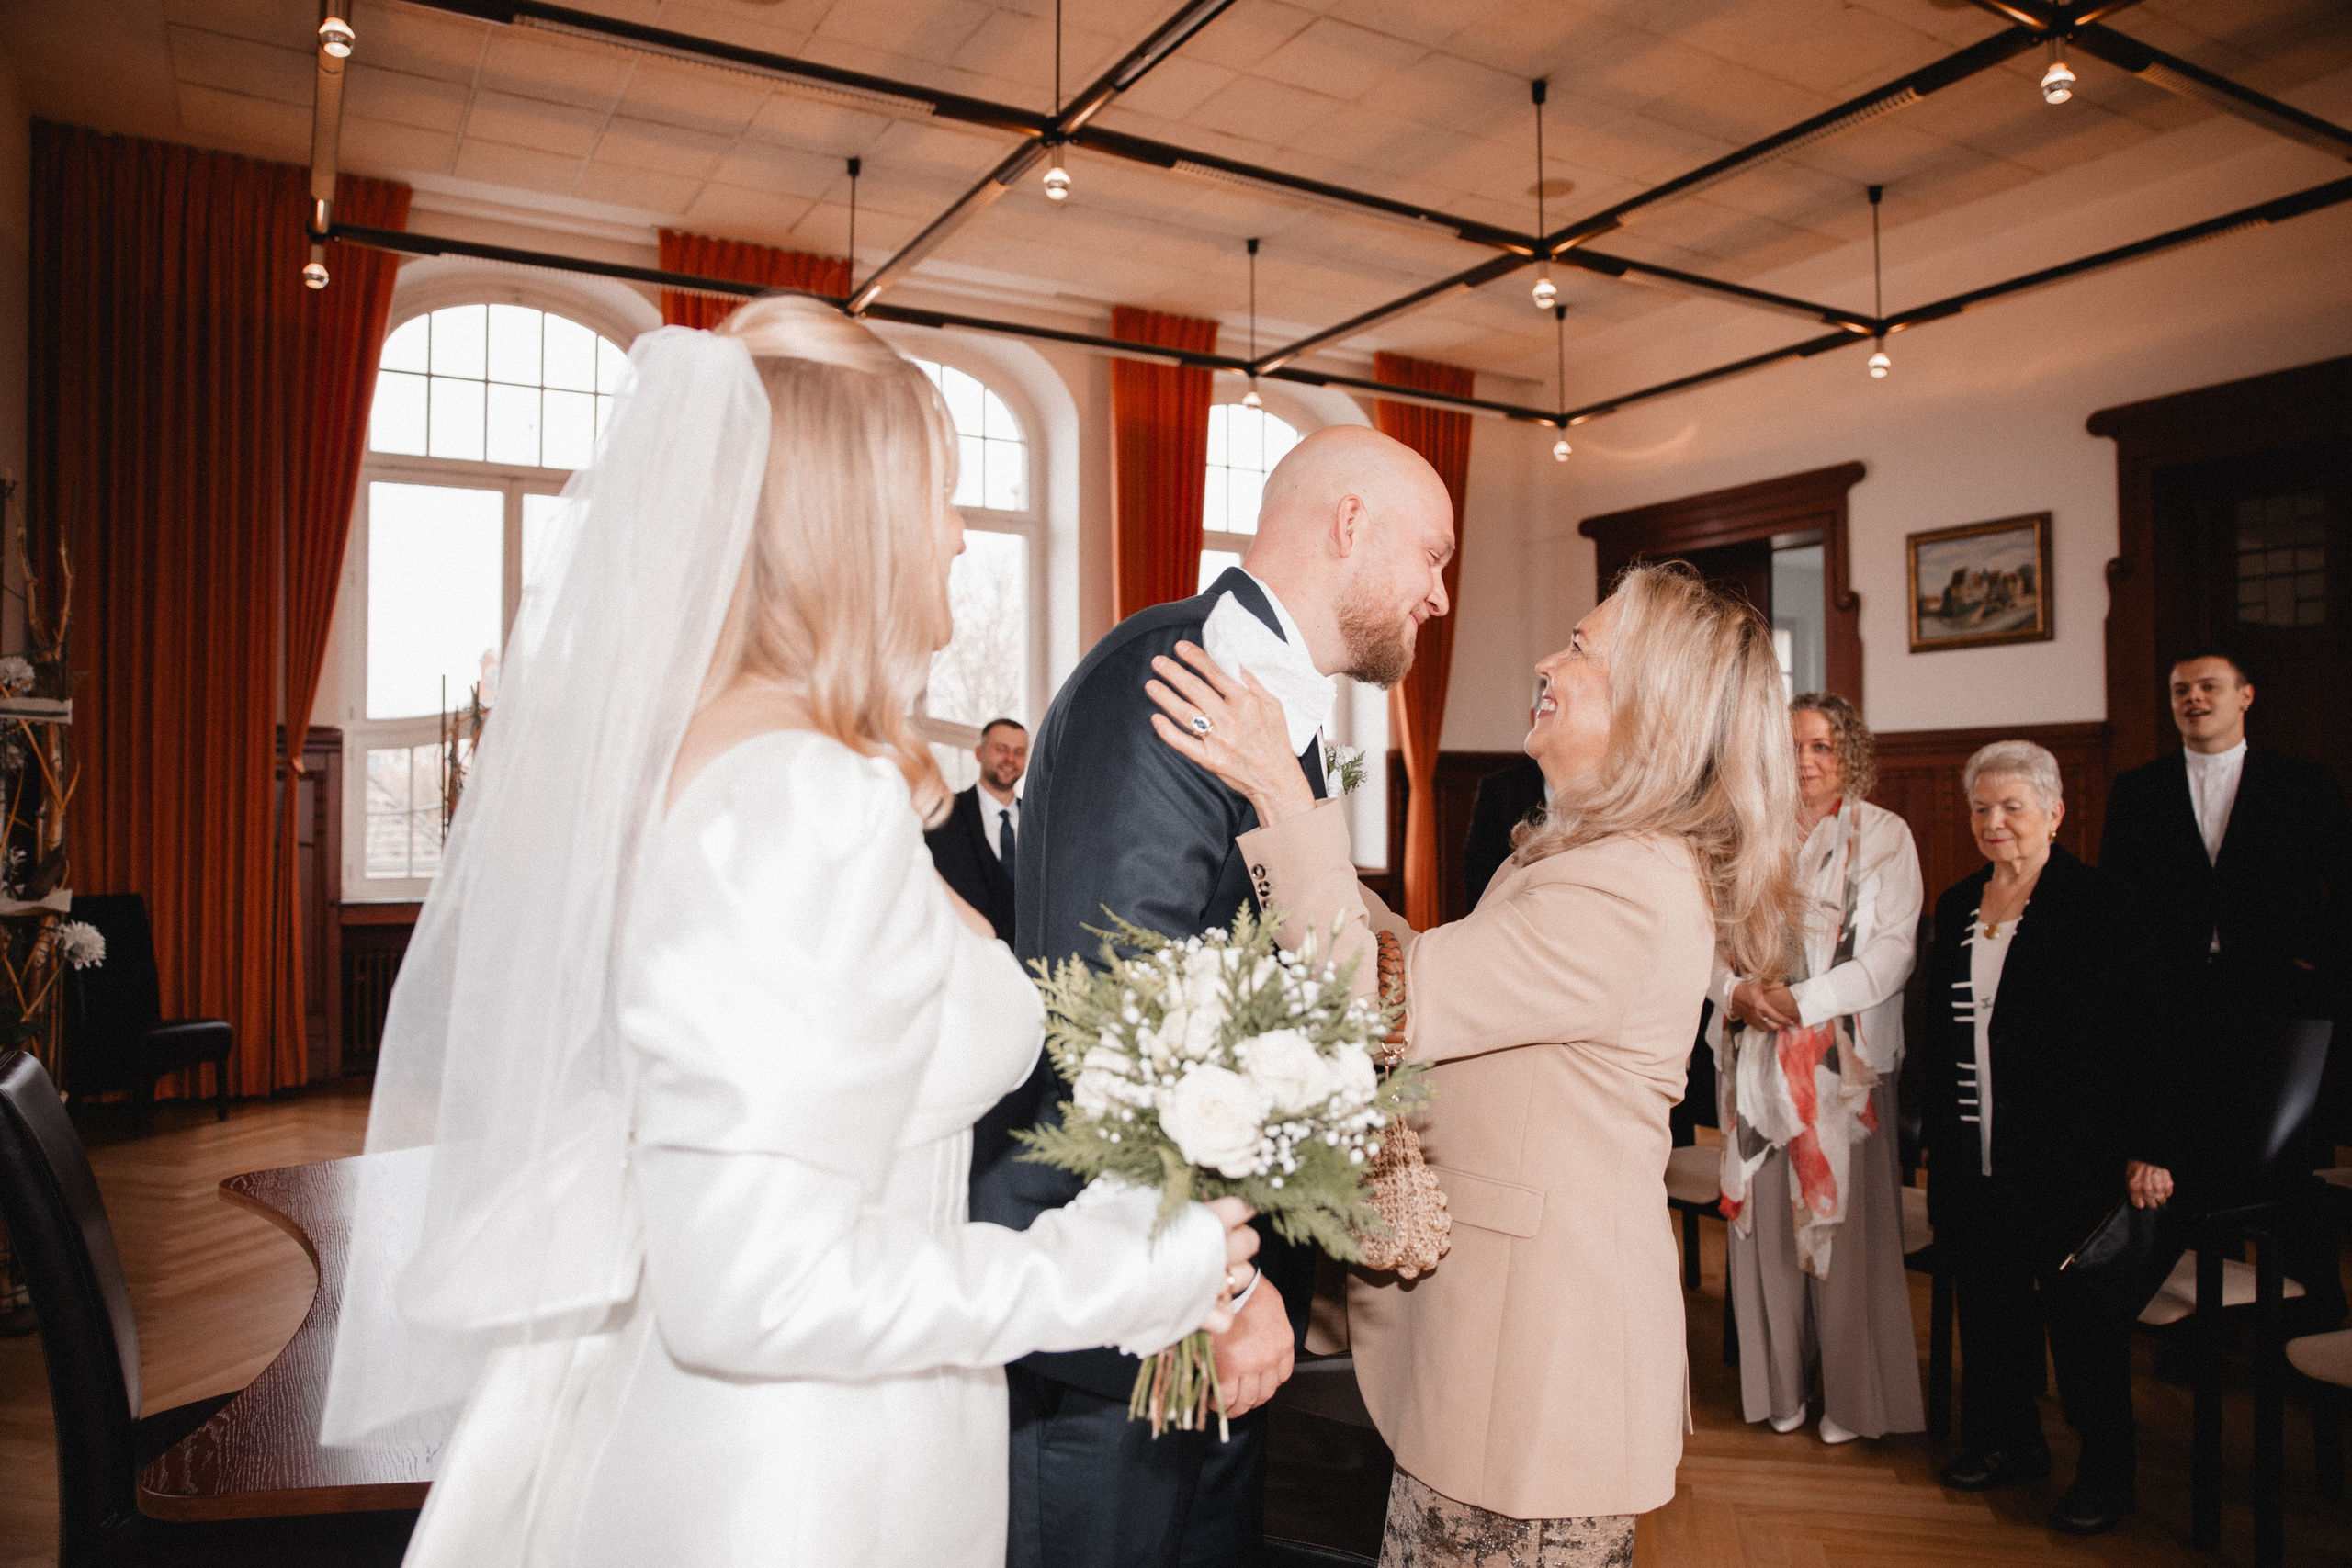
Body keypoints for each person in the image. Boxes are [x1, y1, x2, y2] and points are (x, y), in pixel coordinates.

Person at [319, 298, 1260, 1568]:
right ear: (852, 521)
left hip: (821, 1421)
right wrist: (1117, 1269)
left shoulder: (749, 762)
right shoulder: (799, 797)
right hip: (803, 1476)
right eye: (940, 493)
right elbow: (765, 1290)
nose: (959, 535)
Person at [1144, 561, 1803, 1566]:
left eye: (1581, 647)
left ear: (1654, 706)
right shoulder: (1579, 859)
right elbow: (1418, 971)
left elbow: (1373, 997)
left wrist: (1281, 791)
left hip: (1537, 1376)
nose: (1547, 660)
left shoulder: (1626, 886)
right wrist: (1290, 807)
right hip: (1498, 1358)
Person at [970, 423, 1458, 1568]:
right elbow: (1119, 1014)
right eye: (1430, 558)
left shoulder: (1266, 700)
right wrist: (1226, 1288)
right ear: (1349, 525)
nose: (1438, 596)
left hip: (1208, 1273)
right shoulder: (1174, 680)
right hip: (1113, 1294)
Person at [1923, 740, 2178, 1537]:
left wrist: (2154, 1143)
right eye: (1981, 808)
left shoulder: (2103, 902)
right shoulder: (1960, 902)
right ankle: (2010, 1443)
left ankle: (2106, 1474)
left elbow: (2156, 1030)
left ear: (2055, 812)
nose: (1995, 822)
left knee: (2083, 1323)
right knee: (1991, 1303)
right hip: (1976, 1150)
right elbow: (1939, 1033)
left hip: (2074, 1153)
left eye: (2013, 806)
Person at [1713, 693, 1924, 1445]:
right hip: (1752, 1057)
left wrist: (1798, 1000)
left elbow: (1891, 953)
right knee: (1767, 1232)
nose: (1805, 760)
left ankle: (1852, 1398)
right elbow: (1701, 938)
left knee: (1842, 1234)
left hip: (1843, 1067)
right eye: (1792, 746)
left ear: (1850, 755)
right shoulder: (1742, 834)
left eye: (1823, 747)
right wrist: (1735, 990)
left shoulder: (1884, 835)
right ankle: (1780, 1390)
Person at [926, 717, 1029, 942]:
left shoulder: (1038, 819)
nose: (1010, 759)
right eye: (1001, 749)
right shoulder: (943, 814)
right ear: (979, 753)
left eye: (1019, 752)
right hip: (965, 953)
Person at [1461, 682, 1549, 909]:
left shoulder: (1605, 788)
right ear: (1533, 718)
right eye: (1547, 708)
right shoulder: (1499, 789)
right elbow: (1479, 872)